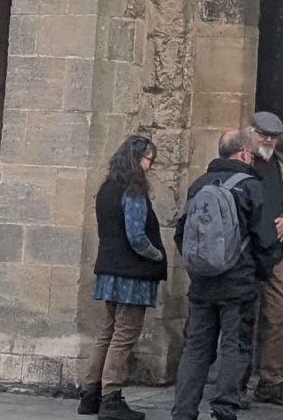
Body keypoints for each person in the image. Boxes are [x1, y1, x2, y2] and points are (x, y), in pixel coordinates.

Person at [169, 129, 278, 420]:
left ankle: (183, 411)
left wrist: (199, 267)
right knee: (235, 345)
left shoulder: (199, 185)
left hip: (203, 284)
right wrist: (261, 273)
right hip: (239, 284)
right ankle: (225, 408)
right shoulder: (251, 187)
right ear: (244, 153)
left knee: (196, 349)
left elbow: (181, 234)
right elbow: (265, 239)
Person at [81, 135, 168, 420]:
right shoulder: (133, 191)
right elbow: (136, 236)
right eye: (148, 160)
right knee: (123, 336)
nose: (150, 167)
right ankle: (111, 398)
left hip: (109, 270)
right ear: (136, 160)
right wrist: (157, 255)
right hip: (132, 275)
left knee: (107, 332)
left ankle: (90, 394)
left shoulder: (107, 188)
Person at [245, 111, 283, 406]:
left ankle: (270, 381)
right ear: (250, 133)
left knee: (282, 315)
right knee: (242, 319)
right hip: (245, 251)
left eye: (273, 136)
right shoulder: (240, 161)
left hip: (278, 251)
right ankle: (236, 382)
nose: (268, 140)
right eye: (263, 134)